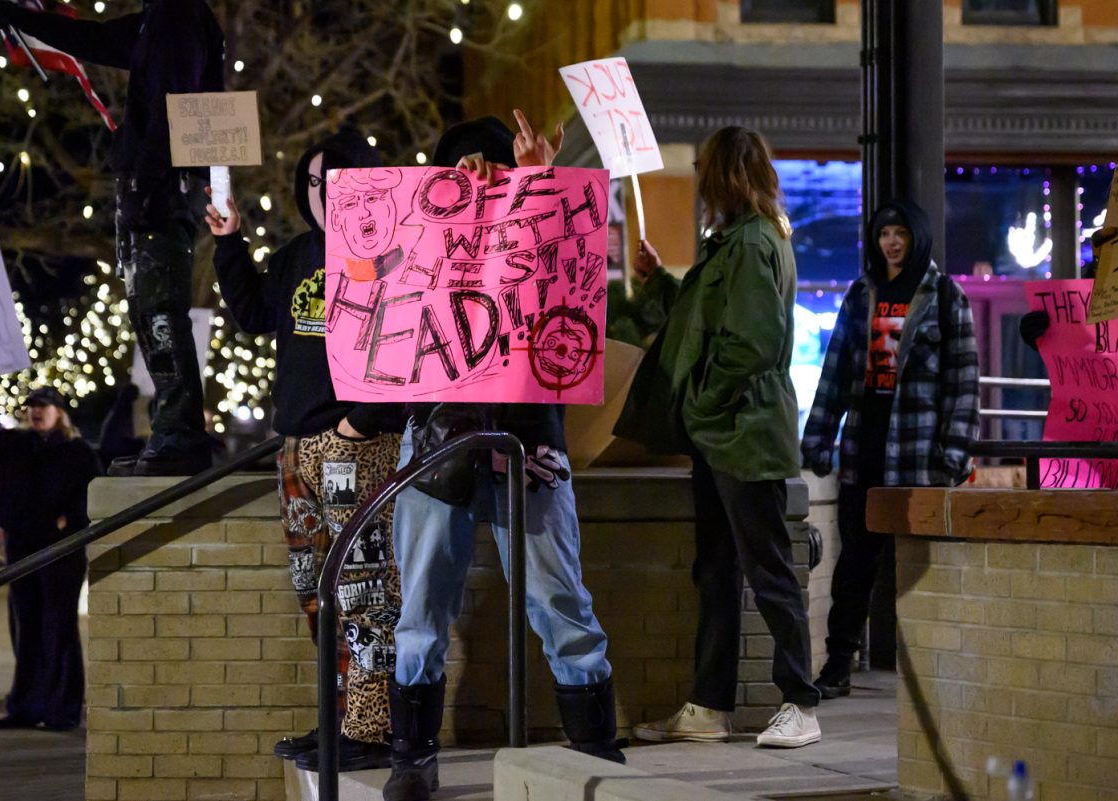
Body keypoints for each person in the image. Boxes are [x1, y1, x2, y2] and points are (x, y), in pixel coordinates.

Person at [385, 112, 620, 801]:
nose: (477, 176)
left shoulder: (535, 231)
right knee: (422, 602)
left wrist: (538, 183)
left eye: (488, 166)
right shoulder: (421, 239)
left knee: (558, 597)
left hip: (530, 439)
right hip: (437, 435)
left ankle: (596, 748)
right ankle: (412, 754)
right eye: (459, 168)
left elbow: (577, 271)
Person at [206, 127, 405, 774]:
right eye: (314, 183)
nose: (325, 194)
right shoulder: (298, 255)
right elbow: (254, 313)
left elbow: (405, 341)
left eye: (337, 181)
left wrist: (361, 421)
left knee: (364, 590)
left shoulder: (387, 252)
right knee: (317, 593)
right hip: (295, 451)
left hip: (355, 447)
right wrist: (229, 240)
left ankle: (372, 727)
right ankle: (339, 718)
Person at [615, 126, 822, 748]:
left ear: (724, 174)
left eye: (705, 170)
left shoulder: (753, 242)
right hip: (726, 433)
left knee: (767, 568)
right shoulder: (735, 240)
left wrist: (703, 408)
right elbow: (706, 318)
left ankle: (800, 702)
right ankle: (709, 706)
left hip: (743, 433)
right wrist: (658, 283)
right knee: (718, 569)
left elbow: (750, 343)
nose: (699, 181)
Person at [0, 0, 225, 476]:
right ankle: (174, 431)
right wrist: (26, 20)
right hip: (157, 185)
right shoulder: (163, 16)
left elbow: (170, 103)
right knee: (149, 312)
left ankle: (180, 435)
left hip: (161, 188)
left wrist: (148, 180)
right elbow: (95, 40)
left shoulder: (177, 15)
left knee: (159, 312)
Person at [801, 200, 980, 698]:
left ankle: (930, 669)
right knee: (855, 564)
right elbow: (836, 369)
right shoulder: (862, 295)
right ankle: (838, 665)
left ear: (916, 237)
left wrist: (954, 452)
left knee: (921, 565)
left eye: (900, 233)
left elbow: (964, 382)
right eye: (884, 233)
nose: (891, 242)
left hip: (919, 456)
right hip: (864, 450)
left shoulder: (945, 297)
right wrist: (818, 436)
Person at [0, 376, 100, 730]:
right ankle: (27, 705)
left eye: (43, 407)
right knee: (27, 624)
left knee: (58, 625)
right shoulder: (17, 444)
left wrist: (71, 517)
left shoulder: (78, 451)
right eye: (31, 407)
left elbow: (92, 491)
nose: (35, 413)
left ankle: (62, 709)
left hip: (61, 549)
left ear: (59, 413)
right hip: (22, 545)